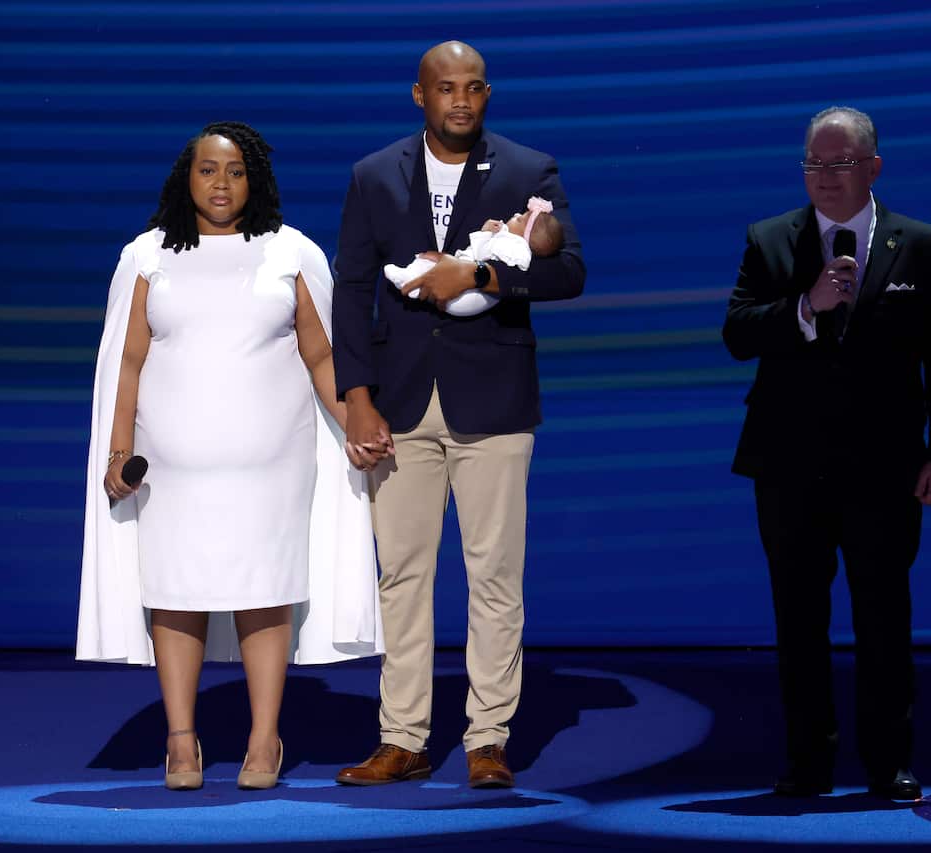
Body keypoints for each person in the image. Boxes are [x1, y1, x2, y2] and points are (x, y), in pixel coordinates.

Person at [78, 121, 383, 792]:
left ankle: (263, 739)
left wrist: (352, 415)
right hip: (172, 472)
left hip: (271, 468)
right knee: (175, 596)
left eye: (236, 170)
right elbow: (126, 362)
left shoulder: (290, 252)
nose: (222, 183)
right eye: (209, 169)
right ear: (185, 178)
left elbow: (321, 352)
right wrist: (119, 450)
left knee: (265, 595)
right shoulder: (148, 255)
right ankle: (181, 741)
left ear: (256, 180)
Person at [331, 41, 585, 789]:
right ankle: (402, 736)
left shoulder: (527, 169)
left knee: (494, 576)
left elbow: (568, 270)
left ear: (487, 93)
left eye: (473, 88)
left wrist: (477, 272)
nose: (461, 101)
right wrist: (356, 396)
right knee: (402, 574)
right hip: (401, 401)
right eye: (446, 89)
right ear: (420, 96)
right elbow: (351, 289)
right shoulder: (374, 175)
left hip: (494, 399)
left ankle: (487, 739)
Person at [722, 106, 931, 800]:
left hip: (887, 469)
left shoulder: (923, 244)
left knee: (885, 618)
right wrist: (806, 305)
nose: (825, 177)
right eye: (814, 164)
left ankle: (889, 763)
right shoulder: (770, 240)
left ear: (873, 168)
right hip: (788, 468)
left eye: (840, 163)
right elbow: (738, 332)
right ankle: (807, 763)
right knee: (799, 621)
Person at [384, 196, 564, 316]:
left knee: (430, 261)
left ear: (525, 236)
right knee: (429, 258)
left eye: (519, 219)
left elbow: (482, 254)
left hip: (469, 297)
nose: (515, 214)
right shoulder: (509, 241)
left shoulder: (516, 246)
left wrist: (486, 232)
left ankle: (411, 281)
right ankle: (411, 277)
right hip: (467, 292)